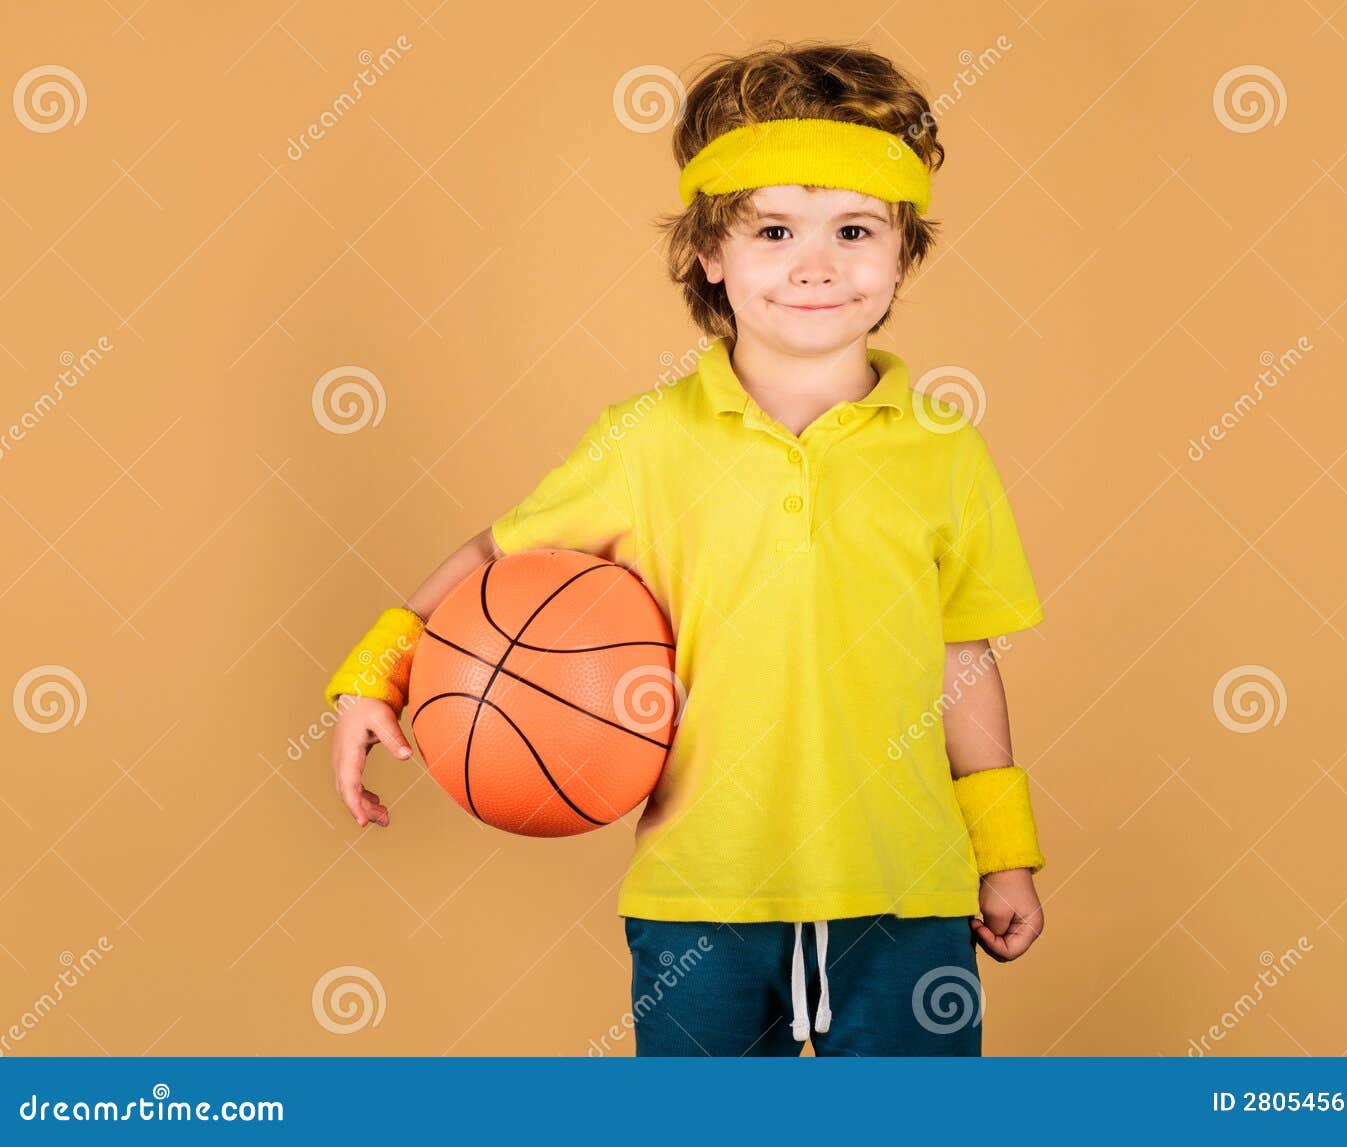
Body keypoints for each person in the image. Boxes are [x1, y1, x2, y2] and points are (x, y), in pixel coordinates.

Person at [324, 41, 1049, 1056]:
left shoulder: (943, 447)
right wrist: (375, 670)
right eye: (772, 230)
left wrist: (1003, 855)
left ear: (902, 251)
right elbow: (493, 554)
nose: (815, 263)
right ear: (710, 252)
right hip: (700, 894)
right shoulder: (643, 440)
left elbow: (961, 658)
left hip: (906, 892)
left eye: (853, 229)